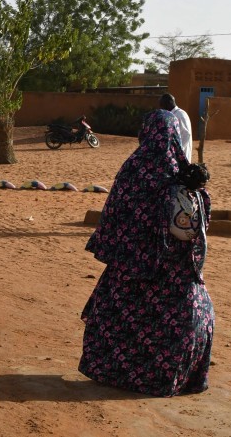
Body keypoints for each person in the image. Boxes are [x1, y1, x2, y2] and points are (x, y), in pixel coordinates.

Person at [79, 110, 214, 396]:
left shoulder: (133, 169)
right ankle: (170, 378)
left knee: (114, 315)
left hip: (129, 268)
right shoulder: (183, 174)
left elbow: (114, 214)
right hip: (175, 274)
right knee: (191, 317)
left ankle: (115, 372)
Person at [160, 93, 193, 162]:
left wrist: (177, 152)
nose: (161, 108)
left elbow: (186, 135)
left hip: (181, 156)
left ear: (167, 104)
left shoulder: (180, 114)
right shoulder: (172, 114)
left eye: (162, 105)